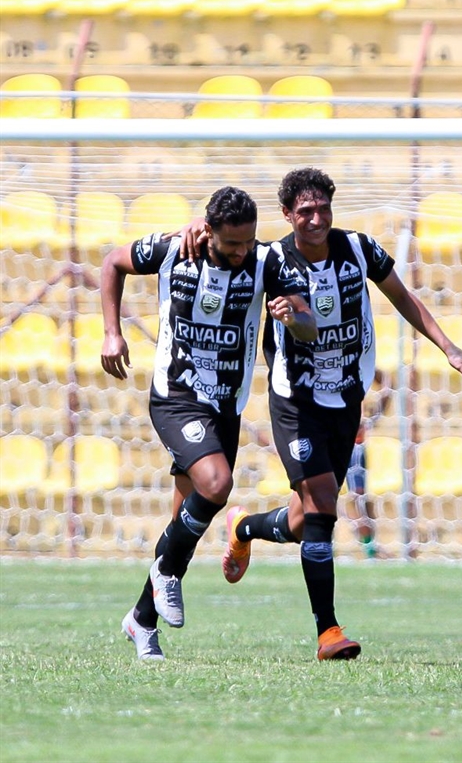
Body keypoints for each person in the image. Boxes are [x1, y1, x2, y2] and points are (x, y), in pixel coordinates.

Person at [180, 167, 462, 661]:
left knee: (305, 519)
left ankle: (244, 528)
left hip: (346, 400)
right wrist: (195, 226)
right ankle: (328, 631)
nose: (316, 219)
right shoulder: (270, 259)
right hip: (295, 401)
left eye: (323, 208)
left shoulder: (359, 249)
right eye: (305, 211)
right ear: (287, 215)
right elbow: (223, 246)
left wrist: (449, 347)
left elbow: (402, 297)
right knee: (324, 503)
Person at [100, 186, 317, 660]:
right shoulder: (174, 250)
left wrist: (292, 318)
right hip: (176, 398)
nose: (241, 252)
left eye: (248, 241)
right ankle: (164, 575)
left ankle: (142, 621)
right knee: (217, 484)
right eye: (232, 243)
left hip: (225, 407)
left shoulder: (266, 262)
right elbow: (113, 262)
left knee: (184, 526)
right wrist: (112, 333)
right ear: (209, 230)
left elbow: (309, 324)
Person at [344, 369, 393, 560]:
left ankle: (370, 548)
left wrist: (373, 416)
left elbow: (387, 383)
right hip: (331, 441)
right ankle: (324, 546)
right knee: (326, 496)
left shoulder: (354, 366)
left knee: (360, 498)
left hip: (354, 447)